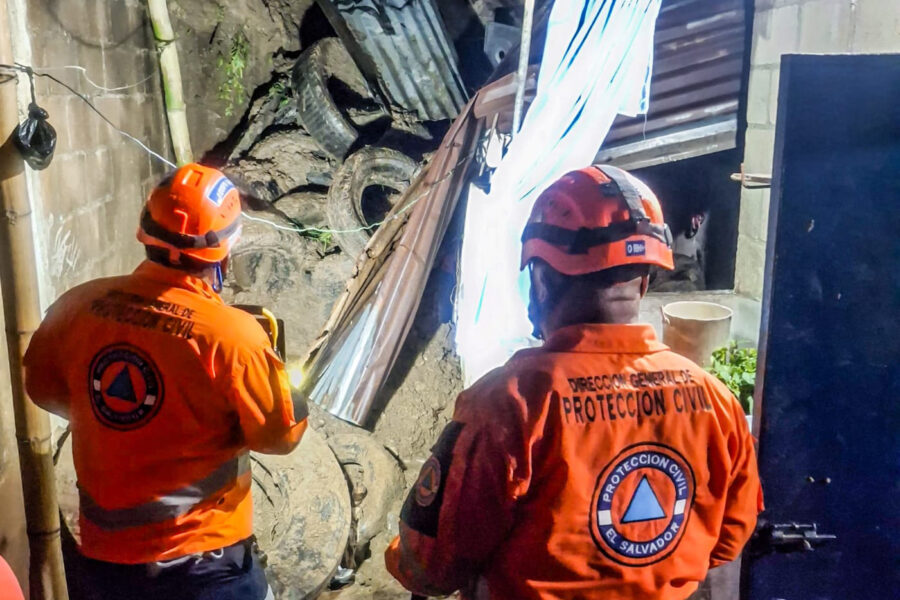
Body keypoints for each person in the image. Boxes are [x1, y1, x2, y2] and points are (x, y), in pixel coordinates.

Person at [385, 165, 762, 599]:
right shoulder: (717, 403)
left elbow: (431, 566)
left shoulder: (510, 403)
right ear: (642, 282)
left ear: (542, 281)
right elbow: (730, 538)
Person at [24, 163, 307, 600]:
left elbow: (40, 387)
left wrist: (120, 426)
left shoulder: (78, 304)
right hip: (204, 567)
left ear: (145, 232)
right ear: (226, 249)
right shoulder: (231, 335)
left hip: (102, 563)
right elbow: (281, 436)